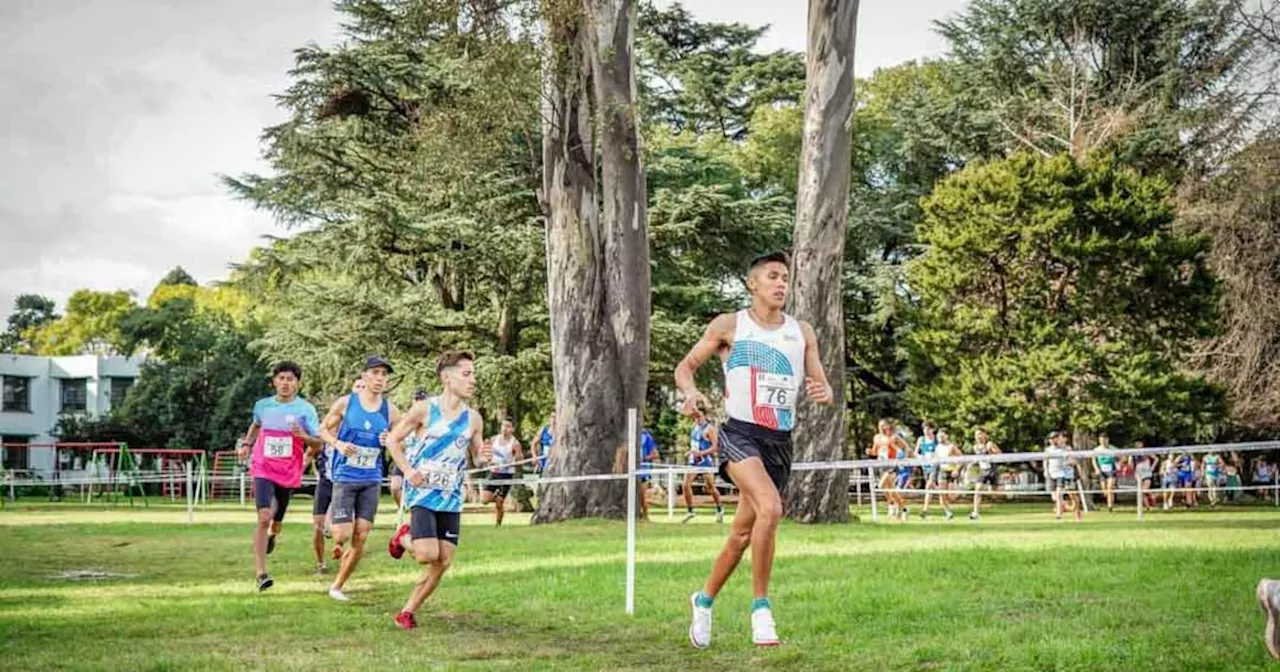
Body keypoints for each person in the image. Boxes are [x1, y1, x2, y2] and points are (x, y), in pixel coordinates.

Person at [675, 251, 834, 649]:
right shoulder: (730, 325)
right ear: (753, 284)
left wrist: (823, 390)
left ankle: (704, 600)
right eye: (772, 277)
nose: (781, 284)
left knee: (742, 534)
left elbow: (822, 385)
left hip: (778, 442)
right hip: (738, 434)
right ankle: (761, 609)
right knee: (772, 508)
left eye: (785, 277)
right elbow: (685, 368)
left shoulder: (803, 332)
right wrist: (692, 392)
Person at [385, 351, 490, 630]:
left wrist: (485, 456)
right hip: (423, 492)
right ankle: (403, 537)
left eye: (473, 374)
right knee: (426, 555)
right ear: (447, 377)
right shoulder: (424, 409)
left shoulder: (473, 419)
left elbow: (478, 456)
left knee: (443, 561)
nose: (472, 380)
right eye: (466, 374)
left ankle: (406, 612)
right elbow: (394, 441)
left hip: (451, 497)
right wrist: (408, 471)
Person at [318, 355, 402, 602]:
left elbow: (405, 439)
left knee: (362, 536)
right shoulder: (346, 403)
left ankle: (337, 586)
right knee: (343, 534)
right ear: (364, 377)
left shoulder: (391, 410)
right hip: (345, 477)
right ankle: (332, 524)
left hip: (372, 478)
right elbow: (322, 429)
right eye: (375, 373)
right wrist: (338, 444)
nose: (379, 379)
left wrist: (392, 440)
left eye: (384, 375)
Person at [235, 361, 323, 592]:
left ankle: (274, 534)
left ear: (297, 384)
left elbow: (319, 443)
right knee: (264, 516)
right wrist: (247, 443)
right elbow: (255, 425)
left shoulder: (306, 410)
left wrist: (303, 436)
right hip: (263, 466)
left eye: (290, 379)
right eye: (281, 378)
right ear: (274, 381)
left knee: (277, 519)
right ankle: (261, 574)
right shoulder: (262, 406)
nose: (285, 383)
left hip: (288, 470)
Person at [683, 409, 725, 524]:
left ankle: (719, 508)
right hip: (694, 461)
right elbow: (694, 444)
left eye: (699, 416)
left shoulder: (710, 429)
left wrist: (701, 453)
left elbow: (715, 447)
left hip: (705, 461)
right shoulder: (694, 427)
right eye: (695, 417)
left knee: (710, 487)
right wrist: (691, 452)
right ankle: (690, 510)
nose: (697, 419)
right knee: (686, 485)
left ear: (704, 416)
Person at [482, 419, 523, 526]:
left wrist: (516, 459)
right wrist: (489, 461)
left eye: (508, 426)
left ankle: (498, 524)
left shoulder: (515, 443)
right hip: (494, 473)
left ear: (512, 429)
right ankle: (496, 496)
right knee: (484, 500)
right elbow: (486, 454)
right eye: (503, 426)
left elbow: (520, 460)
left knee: (499, 503)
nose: (505, 429)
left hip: (506, 475)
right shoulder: (494, 439)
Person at [873, 420, 911, 521]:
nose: (882, 428)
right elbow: (875, 451)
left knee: (881, 485)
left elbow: (906, 447)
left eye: (884, 426)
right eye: (880, 426)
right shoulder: (877, 438)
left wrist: (904, 459)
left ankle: (891, 505)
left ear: (888, 427)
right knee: (891, 490)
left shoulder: (894, 437)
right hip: (881, 465)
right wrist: (870, 451)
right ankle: (904, 508)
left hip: (892, 464)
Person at [1044, 431, 1080, 522]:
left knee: (1066, 494)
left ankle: (1060, 515)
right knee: (1055, 497)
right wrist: (1046, 472)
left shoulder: (1066, 449)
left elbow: (1074, 461)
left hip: (1063, 474)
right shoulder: (1048, 450)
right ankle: (1066, 507)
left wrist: (1068, 463)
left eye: (1055, 438)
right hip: (1052, 474)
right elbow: (1046, 461)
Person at [926, 429, 960, 520]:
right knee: (942, 493)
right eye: (938, 436)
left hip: (951, 472)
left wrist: (956, 469)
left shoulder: (952, 447)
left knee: (952, 496)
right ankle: (948, 513)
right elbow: (936, 461)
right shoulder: (937, 448)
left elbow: (961, 459)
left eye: (942, 436)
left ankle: (948, 510)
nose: (940, 438)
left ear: (946, 436)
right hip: (942, 471)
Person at [970, 428, 1002, 520]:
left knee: (995, 494)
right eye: (976, 435)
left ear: (985, 435)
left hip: (993, 470)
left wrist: (991, 452)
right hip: (983, 471)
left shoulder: (990, 444)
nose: (978, 437)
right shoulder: (975, 447)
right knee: (977, 490)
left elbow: (1001, 455)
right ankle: (975, 512)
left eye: (980, 434)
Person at [916, 422, 941, 519]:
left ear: (933, 429)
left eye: (928, 429)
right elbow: (916, 452)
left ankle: (925, 509)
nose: (926, 431)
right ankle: (945, 504)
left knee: (929, 485)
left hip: (935, 465)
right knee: (931, 488)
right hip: (925, 466)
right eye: (924, 429)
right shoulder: (921, 440)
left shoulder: (936, 439)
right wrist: (919, 457)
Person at [638, 427, 660, 521]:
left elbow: (655, 454)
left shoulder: (646, 436)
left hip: (643, 470)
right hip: (630, 469)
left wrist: (644, 458)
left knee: (642, 495)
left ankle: (646, 516)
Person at [1093, 434, 1119, 512]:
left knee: (1110, 488)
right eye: (1101, 440)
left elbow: (1123, 457)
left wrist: (1118, 464)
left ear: (1108, 439)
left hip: (1111, 469)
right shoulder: (1097, 449)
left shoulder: (1113, 449)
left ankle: (1110, 506)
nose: (1103, 442)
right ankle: (1110, 498)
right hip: (1102, 470)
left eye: (1104, 440)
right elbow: (1093, 460)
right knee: (1104, 490)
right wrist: (1096, 469)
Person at [1132, 441, 1157, 510]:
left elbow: (1156, 459)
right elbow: (1132, 463)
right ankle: (1147, 506)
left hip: (1146, 473)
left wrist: (1152, 467)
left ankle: (1152, 496)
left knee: (1145, 489)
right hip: (1138, 473)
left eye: (1139, 444)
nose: (1138, 446)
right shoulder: (1134, 453)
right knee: (1141, 491)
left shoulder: (1146, 451)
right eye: (1136, 444)